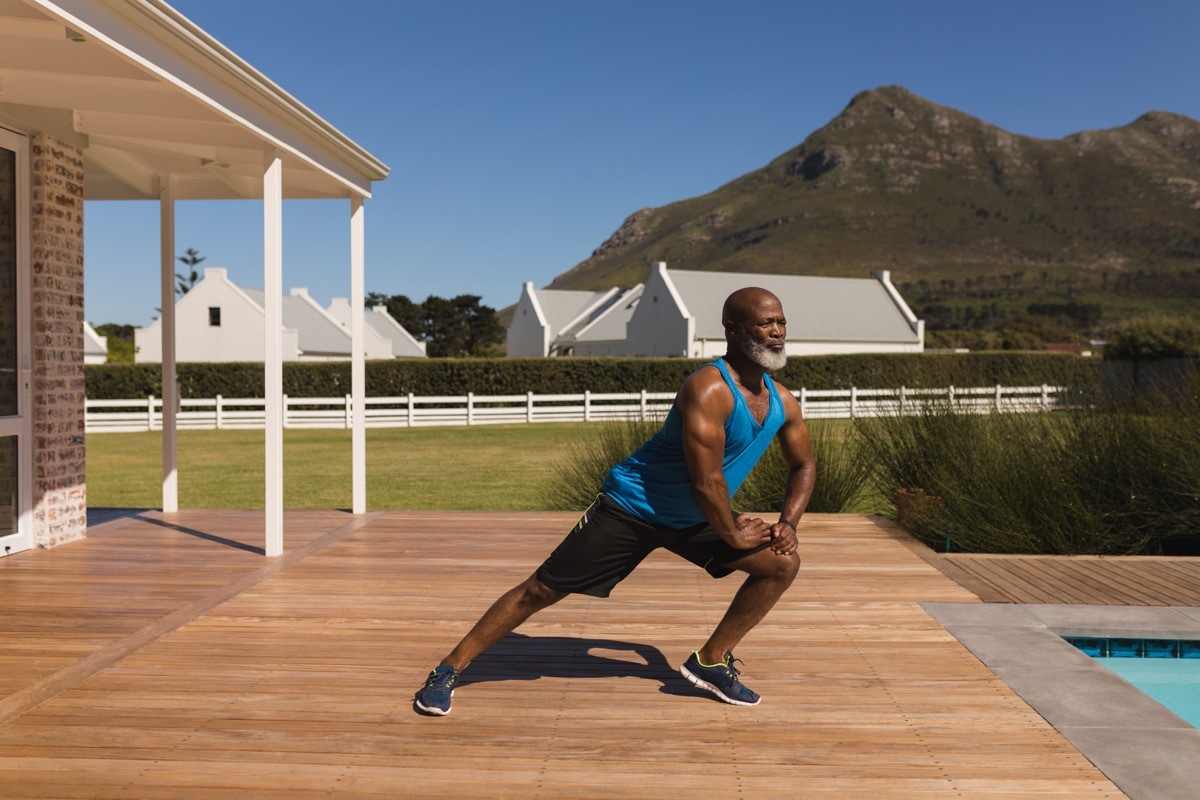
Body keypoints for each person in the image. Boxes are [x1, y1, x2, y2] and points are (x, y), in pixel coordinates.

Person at [414, 287, 816, 715]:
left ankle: (712, 661)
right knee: (541, 590)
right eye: (765, 323)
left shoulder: (781, 401)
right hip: (634, 507)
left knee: (780, 564)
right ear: (732, 329)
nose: (777, 331)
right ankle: (448, 669)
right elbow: (707, 481)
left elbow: (803, 465)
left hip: (697, 516)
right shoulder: (708, 388)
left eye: (782, 322)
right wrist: (732, 535)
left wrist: (787, 523)